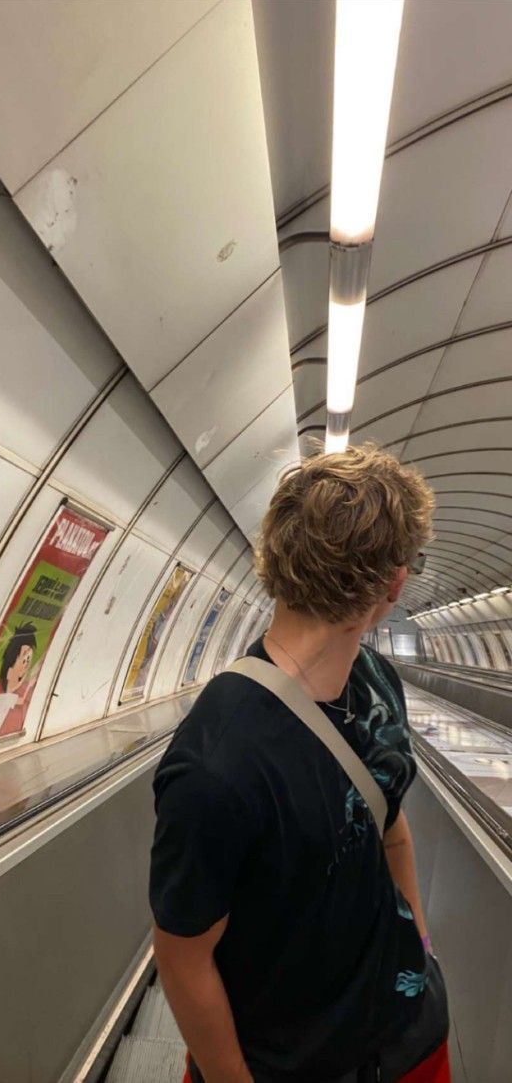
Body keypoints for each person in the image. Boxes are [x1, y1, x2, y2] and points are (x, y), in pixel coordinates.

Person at [149, 444, 450, 1083]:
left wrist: (418, 950)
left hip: (409, 1035)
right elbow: (181, 957)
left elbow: (390, 826)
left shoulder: (377, 683)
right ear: (393, 584)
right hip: (292, 1063)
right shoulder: (216, 762)